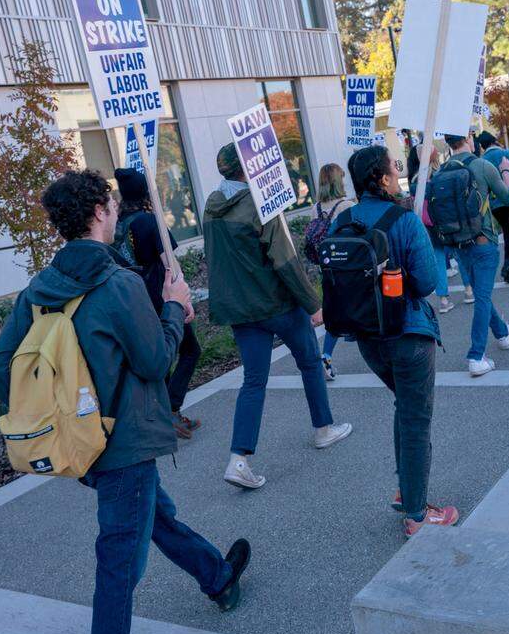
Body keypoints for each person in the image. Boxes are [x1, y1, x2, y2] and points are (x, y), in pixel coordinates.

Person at [0, 170, 251, 634]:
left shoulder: (37, 290)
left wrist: (65, 401)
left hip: (74, 442)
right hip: (123, 444)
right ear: (102, 213)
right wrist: (175, 307)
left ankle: (216, 576)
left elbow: (2, 373)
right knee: (118, 561)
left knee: (152, 515)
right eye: (109, 204)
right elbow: (156, 361)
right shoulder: (119, 284)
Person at [203, 143, 352, 490]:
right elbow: (285, 260)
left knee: (253, 381)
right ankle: (323, 428)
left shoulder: (211, 208)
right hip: (275, 303)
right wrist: (313, 304)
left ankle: (239, 458)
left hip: (240, 309)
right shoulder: (261, 203)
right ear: (246, 168)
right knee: (310, 363)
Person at [340, 145, 457, 536]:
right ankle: (417, 516)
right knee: (416, 419)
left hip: (367, 338)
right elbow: (427, 283)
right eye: (393, 165)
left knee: (403, 408)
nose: (398, 170)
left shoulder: (343, 222)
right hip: (408, 335)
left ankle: (405, 491)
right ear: (381, 178)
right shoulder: (404, 219)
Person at [112, 168, 201, 439]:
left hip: (134, 301)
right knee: (190, 350)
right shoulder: (151, 222)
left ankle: (164, 414)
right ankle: (170, 410)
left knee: (159, 356)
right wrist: (184, 300)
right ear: (146, 194)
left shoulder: (116, 225)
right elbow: (170, 266)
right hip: (162, 299)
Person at [437, 132, 509, 377]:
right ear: (469, 138)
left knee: (482, 293)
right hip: (484, 241)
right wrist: (505, 171)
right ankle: (476, 356)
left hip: (459, 244)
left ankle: (502, 333)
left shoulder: (441, 172)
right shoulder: (482, 165)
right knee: (482, 297)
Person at [310, 163, 355, 380]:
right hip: (348, 267)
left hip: (326, 268)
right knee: (362, 306)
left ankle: (326, 356)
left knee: (335, 313)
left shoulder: (315, 208)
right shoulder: (347, 205)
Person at [410, 146, 457, 313]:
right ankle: (468, 290)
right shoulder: (441, 176)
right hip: (447, 223)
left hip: (428, 225)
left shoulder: (416, 181)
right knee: (459, 255)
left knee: (438, 261)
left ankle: (443, 300)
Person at [477, 130, 509, 282]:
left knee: (508, 232)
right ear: (494, 141)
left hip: (494, 204)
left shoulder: (482, 160)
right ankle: (507, 266)